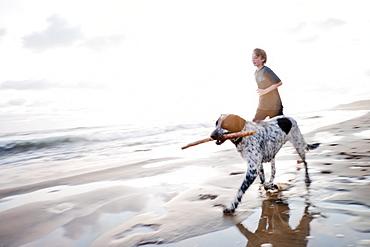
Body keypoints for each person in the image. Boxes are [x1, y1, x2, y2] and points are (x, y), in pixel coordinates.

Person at [252, 48, 284, 122]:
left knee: (280, 127)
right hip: (262, 106)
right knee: (254, 124)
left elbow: (279, 82)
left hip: (274, 106)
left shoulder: (266, 70)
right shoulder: (256, 73)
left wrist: (265, 91)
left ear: (263, 59)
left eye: (256, 58)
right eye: (252, 58)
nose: (253, 60)